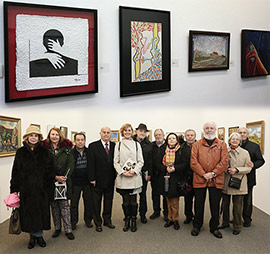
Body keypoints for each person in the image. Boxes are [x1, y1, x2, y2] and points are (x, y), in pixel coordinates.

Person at [10, 125, 56, 249]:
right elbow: (16, 171)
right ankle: (32, 237)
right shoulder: (21, 152)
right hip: (27, 190)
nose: (34, 138)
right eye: (31, 135)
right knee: (29, 214)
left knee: (40, 213)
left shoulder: (45, 151)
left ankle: (39, 236)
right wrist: (14, 189)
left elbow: (51, 170)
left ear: (39, 137)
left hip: (41, 190)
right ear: (27, 137)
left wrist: (44, 184)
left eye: (36, 136)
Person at [190, 122, 229, 239]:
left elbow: (224, 162)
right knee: (198, 204)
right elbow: (193, 162)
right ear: (203, 130)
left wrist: (212, 173)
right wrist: (203, 174)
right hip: (199, 178)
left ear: (215, 130)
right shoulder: (196, 144)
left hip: (216, 179)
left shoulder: (222, 144)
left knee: (215, 205)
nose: (209, 130)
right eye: (207, 128)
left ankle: (214, 227)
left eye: (211, 128)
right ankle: (197, 225)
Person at [42, 128, 75, 240]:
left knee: (65, 206)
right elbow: (43, 167)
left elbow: (71, 164)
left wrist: (64, 177)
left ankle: (68, 229)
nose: (55, 136)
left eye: (57, 134)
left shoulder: (66, 149)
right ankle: (57, 228)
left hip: (64, 182)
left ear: (60, 136)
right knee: (54, 206)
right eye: (52, 134)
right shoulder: (44, 150)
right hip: (50, 182)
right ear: (49, 136)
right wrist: (55, 177)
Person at [220, 132, 252, 235]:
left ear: (240, 141)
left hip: (239, 183)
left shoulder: (245, 153)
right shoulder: (224, 151)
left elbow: (248, 168)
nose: (234, 141)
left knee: (238, 206)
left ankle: (237, 226)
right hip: (226, 181)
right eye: (232, 139)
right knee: (225, 205)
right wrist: (227, 170)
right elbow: (220, 164)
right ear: (229, 140)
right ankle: (225, 223)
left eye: (237, 139)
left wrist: (237, 170)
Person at [114, 123, 144, 232]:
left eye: (129, 130)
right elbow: (115, 162)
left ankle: (134, 219)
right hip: (123, 177)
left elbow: (141, 161)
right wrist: (123, 172)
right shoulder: (118, 145)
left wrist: (134, 171)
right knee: (125, 201)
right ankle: (127, 219)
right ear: (122, 132)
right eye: (125, 130)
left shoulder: (137, 145)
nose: (127, 132)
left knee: (134, 202)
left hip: (134, 177)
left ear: (132, 132)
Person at [88, 127, 116, 232]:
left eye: (108, 133)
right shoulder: (93, 146)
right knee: (96, 202)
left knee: (108, 201)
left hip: (110, 179)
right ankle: (98, 223)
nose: (106, 134)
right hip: (97, 180)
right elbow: (90, 164)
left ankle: (107, 220)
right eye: (104, 132)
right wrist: (92, 178)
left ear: (111, 134)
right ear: (100, 133)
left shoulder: (114, 146)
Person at [158, 133, 186, 230]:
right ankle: (169, 218)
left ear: (177, 140)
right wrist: (165, 168)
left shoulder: (180, 150)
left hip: (176, 178)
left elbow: (184, 164)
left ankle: (176, 219)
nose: (172, 140)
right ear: (167, 140)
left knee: (174, 200)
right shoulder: (163, 150)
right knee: (167, 199)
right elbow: (157, 163)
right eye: (170, 138)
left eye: (173, 138)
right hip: (165, 177)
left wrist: (175, 168)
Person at [237, 127, 265, 227]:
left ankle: (247, 219)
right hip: (236, 178)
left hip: (249, 178)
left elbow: (261, 160)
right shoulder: (234, 144)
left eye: (244, 132)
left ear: (247, 134)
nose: (242, 134)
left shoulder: (254, 146)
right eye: (240, 132)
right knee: (237, 200)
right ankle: (236, 218)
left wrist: (254, 164)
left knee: (247, 200)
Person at [70, 133, 93, 230]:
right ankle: (73, 221)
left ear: (85, 141)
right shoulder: (71, 153)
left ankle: (88, 220)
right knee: (74, 203)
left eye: (82, 140)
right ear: (75, 141)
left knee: (88, 202)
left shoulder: (89, 152)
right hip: (75, 182)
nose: (80, 142)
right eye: (78, 140)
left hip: (87, 181)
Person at [133, 123, 152, 224]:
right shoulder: (130, 142)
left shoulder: (149, 144)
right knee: (131, 195)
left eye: (144, 131)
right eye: (140, 131)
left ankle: (142, 214)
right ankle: (131, 214)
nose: (142, 133)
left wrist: (149, 173)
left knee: (143, 194)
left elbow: (150, 161)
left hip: (144, 172)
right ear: (136, 131)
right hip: (132, 172)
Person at [150, 129, 168, 221]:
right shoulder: (151, 145)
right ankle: (156, 211)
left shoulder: (168, 146)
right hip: (154, 175)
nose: (158, 136)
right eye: (156, 135)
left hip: (165, 175)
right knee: (155, 194)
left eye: (160, 134)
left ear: (163, 135)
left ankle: (166, 213)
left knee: (165, 194)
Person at [181, 129, 197, 224]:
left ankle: (197, 217)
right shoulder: (182, 148)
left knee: (198, 199)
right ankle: (189, 216)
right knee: (188, 199)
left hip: (198, 177)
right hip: (187, 177)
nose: (190, 137)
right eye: (188, 135)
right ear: (185, 137)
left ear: (195, 136)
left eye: (191, 135)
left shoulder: (200, 146)